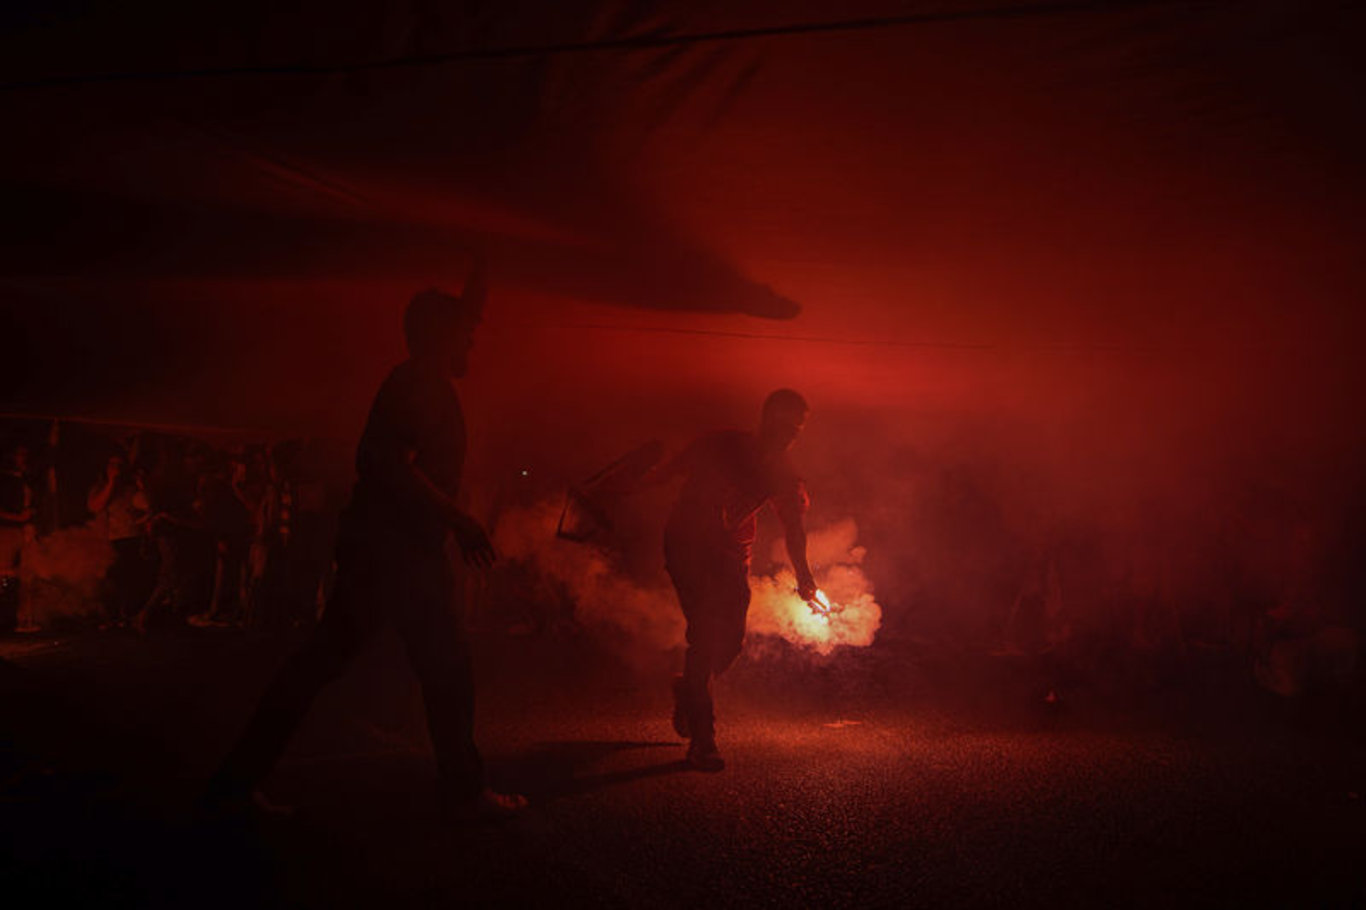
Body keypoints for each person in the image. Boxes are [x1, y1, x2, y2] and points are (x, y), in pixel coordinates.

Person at [204, 263, 526, 819]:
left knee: (325, 664)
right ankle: (463, 790)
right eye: (465, 333)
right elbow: (382, 463)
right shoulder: (419, 384)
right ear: (439, 337)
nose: (474, 339)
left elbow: (463, 317)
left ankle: (235, 781)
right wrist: (460, 519)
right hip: (397, 554)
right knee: (445, 669)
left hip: (385, 551)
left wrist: (481, 268)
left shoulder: (419, 378)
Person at [652, 390, 817, 771]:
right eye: (784, 422)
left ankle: (689, 689)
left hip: (731, 556)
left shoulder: (784, 474)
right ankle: (703, 739)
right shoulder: (721, 444)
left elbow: (794, 528)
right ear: (765, 418)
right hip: (687, 546)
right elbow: (668, 471)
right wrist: (625, 487)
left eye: (797, 426)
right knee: (705, 636)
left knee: (730, 644)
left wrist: (805, 576)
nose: (790, 432)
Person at [87, 452, 153, 628]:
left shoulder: (132, 487)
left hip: (134, 538)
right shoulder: (101, 487)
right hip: (111, 540)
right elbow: (96, 506)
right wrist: (111, 482)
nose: (116, 468)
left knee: (133, 580)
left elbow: (148, 506)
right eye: (112, 464)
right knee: (114, 580)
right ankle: (113, 617)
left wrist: (142, 487)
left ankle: (130, 616)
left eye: (119, 465)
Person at [0, 445, 39, 633]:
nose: (24, 458)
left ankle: (25, 619)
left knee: (27, 575)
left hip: (25, 530)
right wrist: (19, 518)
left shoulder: (28, 479)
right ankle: (7, 619)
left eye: (25, 454)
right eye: (20, 454)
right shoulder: (4, 479)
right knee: (5, 575)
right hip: (7, 531)